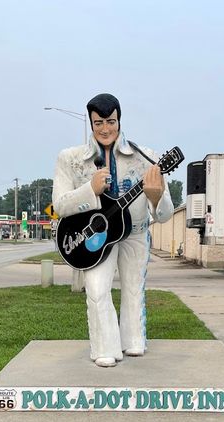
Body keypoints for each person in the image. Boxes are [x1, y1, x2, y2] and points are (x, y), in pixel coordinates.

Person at [52, 93, 174, 367]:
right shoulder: (70, 159)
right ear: (91, 122)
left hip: (135, 232)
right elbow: (59, 205)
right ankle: (105, 347)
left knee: (133, 288)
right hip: (94, 234)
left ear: (119, 120)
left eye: (110, 121)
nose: (105, 129)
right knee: (96, 289)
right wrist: (89, 190)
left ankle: (133, 341)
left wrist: (155, 195)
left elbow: (165, 213)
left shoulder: (146, 157)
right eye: (98, 123)